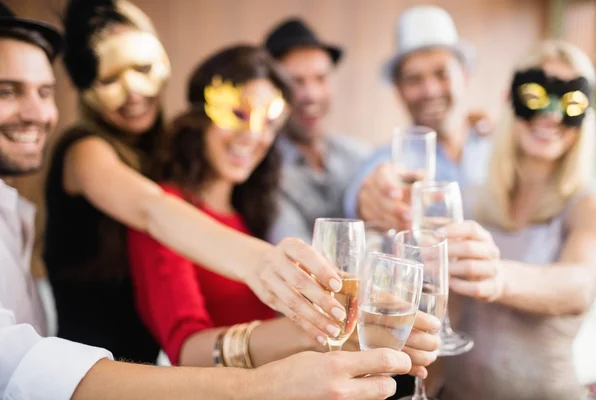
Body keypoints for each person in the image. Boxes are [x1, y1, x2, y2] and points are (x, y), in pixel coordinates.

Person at [0, 4, 431, 399]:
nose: (253, 134)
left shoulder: (251, 206)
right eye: (238, 114)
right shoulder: (95, 157)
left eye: (43, 92)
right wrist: (294, 303)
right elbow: (152, 211)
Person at [43, 0, 346, 363]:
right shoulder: (87, 153)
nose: (133, 91)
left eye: (142, 67)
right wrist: (266, 269)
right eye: (109, 77)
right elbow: (150, 209)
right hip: (92, 373)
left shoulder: (247, 201)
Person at [440, 40, 596, 400]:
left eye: (570, 101)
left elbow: (578, 286)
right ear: (510, 99)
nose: (552, 116)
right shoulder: (471, 200)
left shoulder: (587, 206)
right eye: (536, 95)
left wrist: (497, 276)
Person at [344, 6, 491, 230]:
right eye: (414, 79)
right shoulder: (387, 160)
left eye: (442, 74)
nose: (430, 91)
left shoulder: (497, 145)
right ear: (398, 90)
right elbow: (361, 198)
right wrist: (370, 201)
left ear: (464, 76)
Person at [264, 18, 370, 244]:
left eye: (321, 78)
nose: (311, 95)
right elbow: (300, 261)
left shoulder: (359, 155)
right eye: (296, 82)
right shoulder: (264, 172)